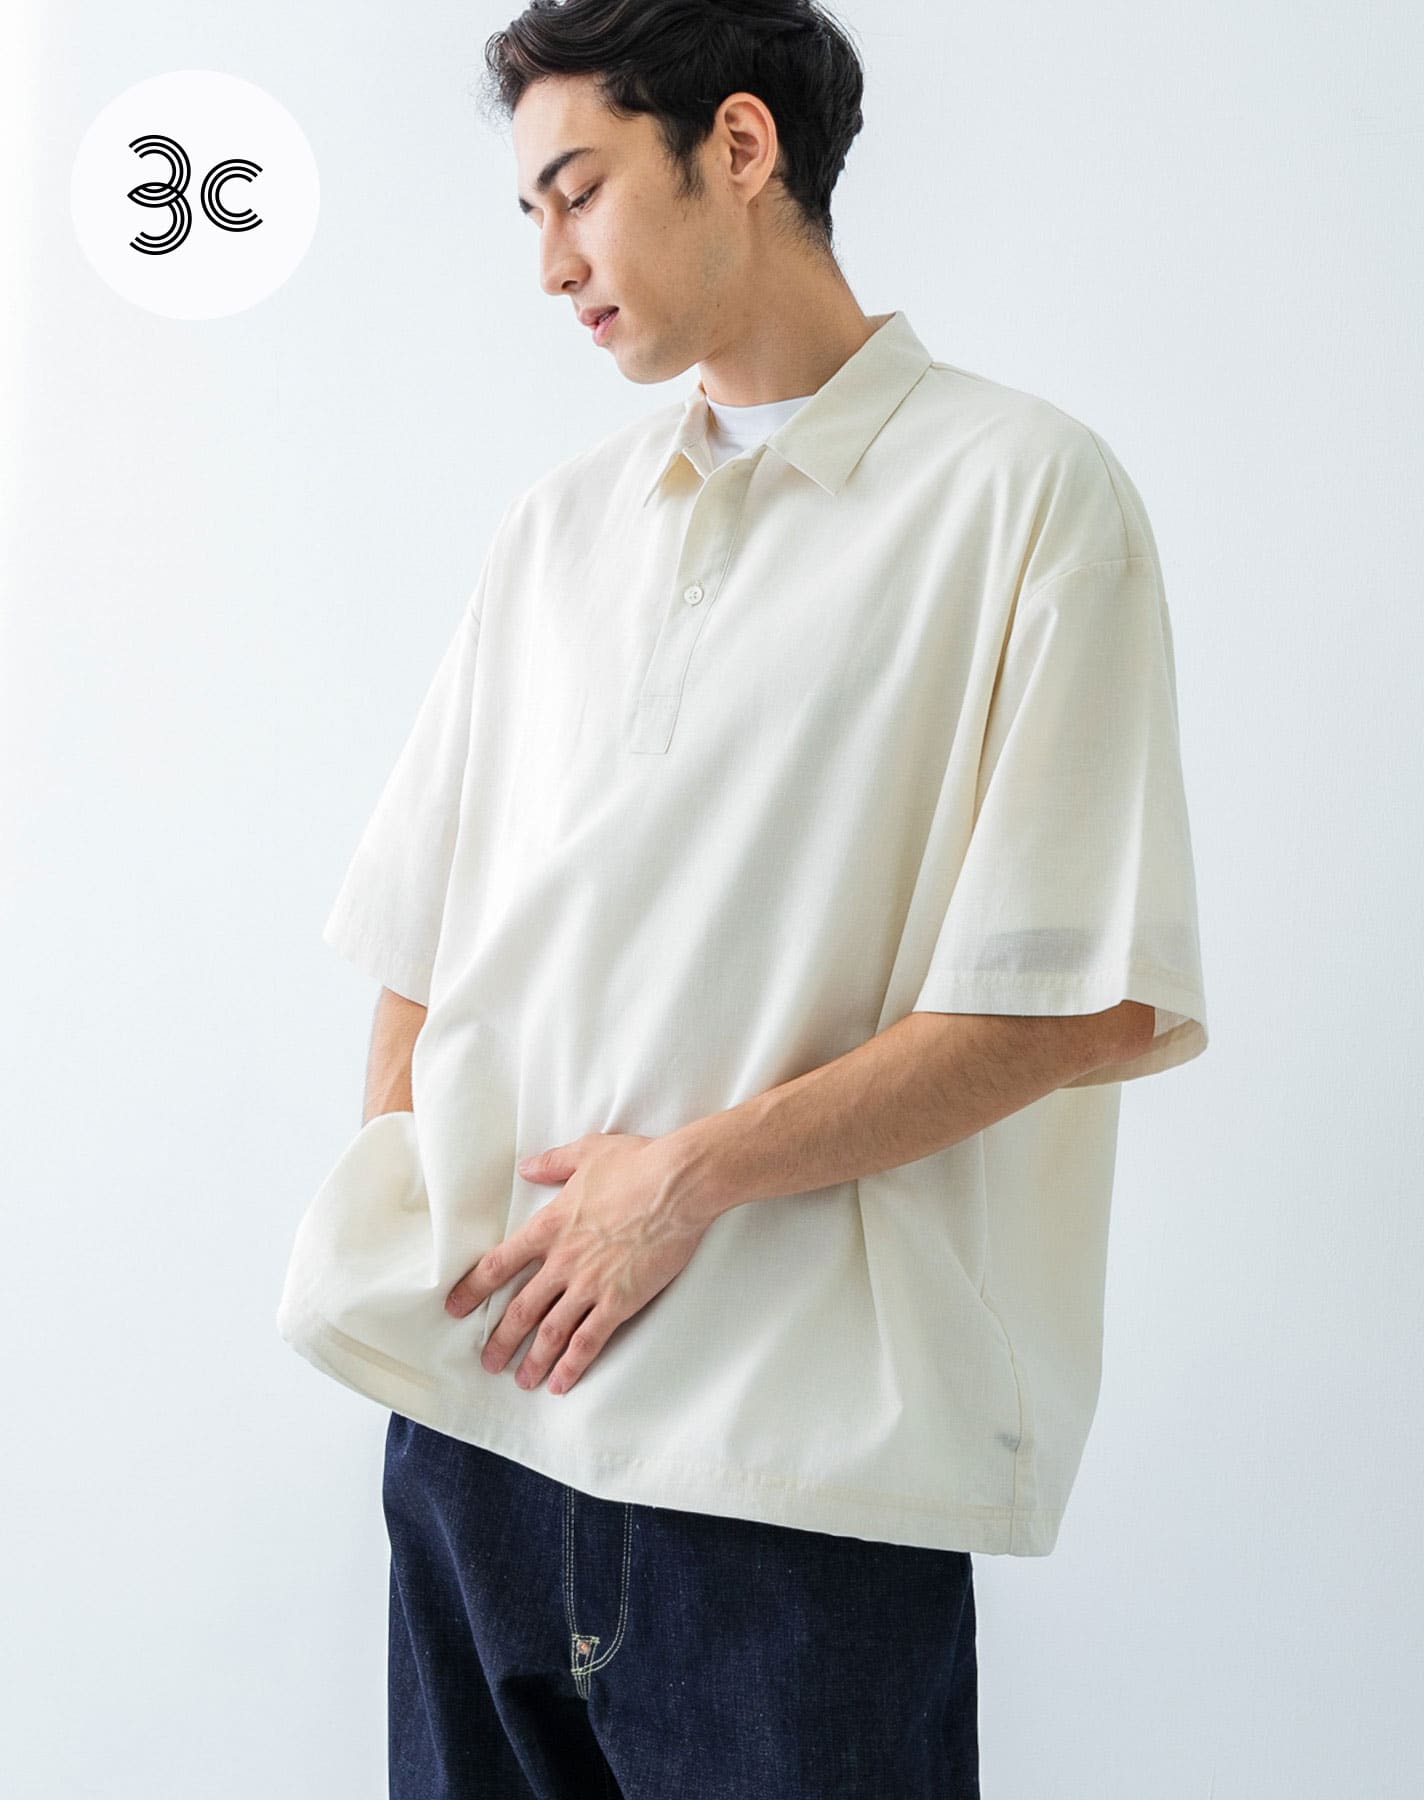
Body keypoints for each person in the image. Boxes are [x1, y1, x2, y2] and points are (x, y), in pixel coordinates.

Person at [277, 2, 1211, 1794]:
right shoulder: (558, 525)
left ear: (739, 145)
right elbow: (420, 930)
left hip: (788, 1481)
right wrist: (419, 1222)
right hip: (477, 1442)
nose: (551, 264)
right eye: (529, 215)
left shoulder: (1021, 494)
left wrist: (687, 1177)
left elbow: (1078, 998)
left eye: (578, 192)